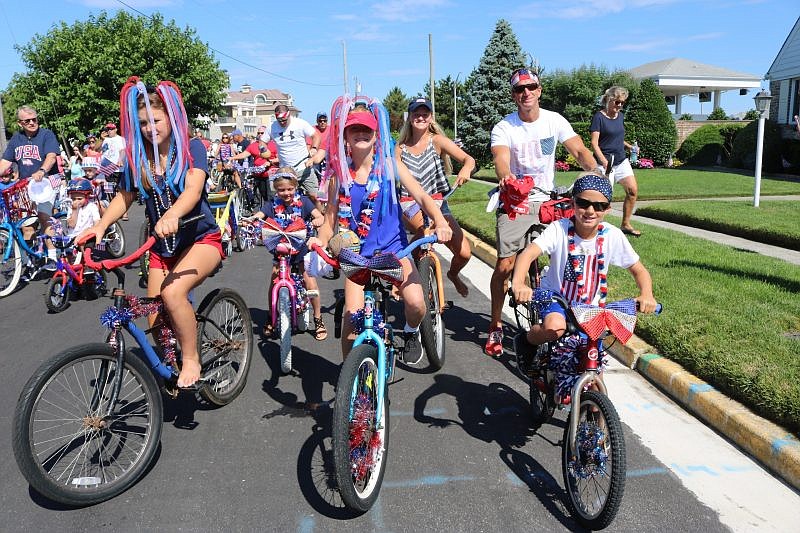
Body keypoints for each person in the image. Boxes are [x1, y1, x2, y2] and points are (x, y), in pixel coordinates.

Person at [79, 77, 224, 388]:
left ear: (170, 117)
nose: (149, 128)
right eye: (143, 122)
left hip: (201, 239)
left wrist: (172, 213)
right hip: (161, 246)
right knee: (154, 316)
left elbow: (193, 188)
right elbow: (125, 196)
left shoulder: (191, 148)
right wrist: (101, 225)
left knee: (172, 294)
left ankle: (191, 357)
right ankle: (170, 363)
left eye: (155, 120)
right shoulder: (138, 157)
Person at [307, 96, 452, 364]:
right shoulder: (340, 177)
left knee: (417, 303)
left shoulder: (389, 167)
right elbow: (329, 221)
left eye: (367, 129)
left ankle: (410, 333)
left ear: (377, 134)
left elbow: (421, 196)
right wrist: (319, 241)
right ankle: (352, 383)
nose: (361, 133)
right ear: (345, 137)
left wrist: (440, 221)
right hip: (357, 257)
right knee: (351, 325)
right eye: (354, 129)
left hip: (394, 251)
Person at [486, 68, 600, 357]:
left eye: (531, 87)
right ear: (513, 95)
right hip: (516, 200)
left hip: (549, 201)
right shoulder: (505, 127)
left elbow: (578, 150)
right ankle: (496, 324)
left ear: (539, 90)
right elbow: (501, 158)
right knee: (505, 266)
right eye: (519, 89)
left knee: (568, 258)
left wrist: (595, 170)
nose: (526, 93)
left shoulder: (554, 120)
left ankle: (561, 316)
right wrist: (506, 177)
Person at [510, 173, 656, 354]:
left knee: (593, 355)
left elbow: (639, 270)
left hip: (591, 305)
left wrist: (647, 294)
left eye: (599, 206)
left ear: (608, 209)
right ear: (572, 203)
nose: (590, 211)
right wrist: (518, 283)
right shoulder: (559, 229)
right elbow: (529, 253)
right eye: (583, 203)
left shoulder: (612, 235)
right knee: (555, 327)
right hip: (555, 296)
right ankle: (526, 341)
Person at [396, 97, 475, 297]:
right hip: (410, 204)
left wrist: (466, 169)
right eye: (416, 113)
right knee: (426, 230)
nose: (420, 117)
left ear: (431, 118)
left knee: (464, 252)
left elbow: (468, 159)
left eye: (425, 114)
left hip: (438, 202)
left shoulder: (437, 141)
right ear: (410, 117)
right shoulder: (400, 149)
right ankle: (408, 274)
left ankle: (453, 274)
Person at [250, 167, 327, 341]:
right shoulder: (272, 204)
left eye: (290, 189)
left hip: (300, 249)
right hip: (281, 251)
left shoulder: (304, 202)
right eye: (281, 190)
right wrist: (254, 218)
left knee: (309, 280)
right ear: (276, 190)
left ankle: (318, 318)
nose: (286, 193)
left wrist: (318, 219)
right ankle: (271, 315)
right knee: (274, 278)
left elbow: (318, 215)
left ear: (296, 187)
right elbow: (261, 214)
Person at [0, 105, 61, 268]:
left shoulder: (46, 134)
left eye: (34, 119)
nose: (32, 122)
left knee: (43, 216)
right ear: (20, 123)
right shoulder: (16, 139)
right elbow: (6, 162)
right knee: (26, 225)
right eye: (27, 121)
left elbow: (51, 157)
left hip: (47, 182)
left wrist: (42, 170)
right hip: (25, 185)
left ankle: (54, 258)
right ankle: (30, 260)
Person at [590, 86, 641, 237]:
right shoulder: (599, 117)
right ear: (609, 100)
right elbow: (594, 143)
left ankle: (625, 224)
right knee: (603, 198)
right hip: (604, 162)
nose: (619, 105)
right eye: (617, 102)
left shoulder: (620, 116)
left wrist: (629, 146)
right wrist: (604, 161)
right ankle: (594, 229)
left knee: (633, 191)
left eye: (622, 103)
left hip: (621, 160)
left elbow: (617, 138)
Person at [263, 104, 322, 206]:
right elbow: (262, 142)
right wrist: (263, 149)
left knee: (314, 197)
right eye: (279, 120)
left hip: (303, 167)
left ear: (289, 115)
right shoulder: (272, 127)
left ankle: (321, 218)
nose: (282, 122)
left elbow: (316, 135)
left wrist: (314, 148)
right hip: (286, 171)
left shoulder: (300, 123)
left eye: (284, 120)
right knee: (284, 199)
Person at [98, 122, 129, 220]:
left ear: (116, 129)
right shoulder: (105, 140)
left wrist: (121, 159)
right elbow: (97, 149)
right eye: (108, 129)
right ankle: (114, 211)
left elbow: (123, 150)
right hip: (105, 166)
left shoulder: (120, 139)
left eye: (111, 129)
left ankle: (124, 213)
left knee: (119, 190)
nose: (109, 131)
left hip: (116, 166)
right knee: (109, 190)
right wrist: (101, 138)